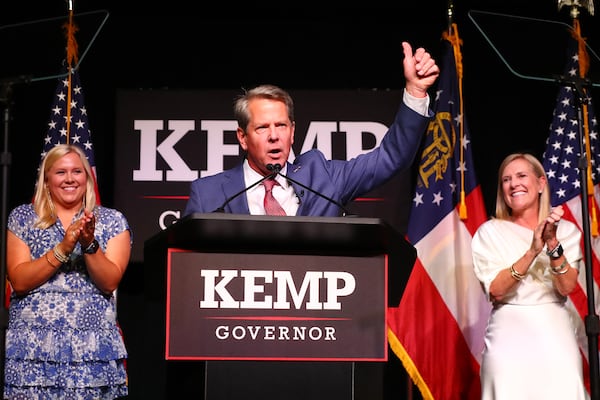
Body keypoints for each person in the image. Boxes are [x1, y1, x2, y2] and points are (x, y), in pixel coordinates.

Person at [183, 41, 439, 217]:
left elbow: (391, 158)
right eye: (262, 127)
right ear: (243, 137)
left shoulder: (323, 178)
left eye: (281, 125)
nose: (274, 136)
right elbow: (184, 267)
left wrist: (416, 92)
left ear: (292, 132)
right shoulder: (209, 194)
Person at [4, 144, 131, 399]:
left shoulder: (112, 221)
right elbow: (18, 281)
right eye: (61, 172)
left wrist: (88, 244)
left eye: (77, 171)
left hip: (92, 351)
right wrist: (63, 247)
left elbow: (109, 282)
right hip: (34, 351)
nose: (70, 179)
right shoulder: (23, 218)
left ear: (87, 177)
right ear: (47, 178)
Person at [471, 153, 587, 399]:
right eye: (506, 180)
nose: (514, 184)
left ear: (541, 183)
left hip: (555, 334)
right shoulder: (489, 232)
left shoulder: (566, 231)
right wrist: (533, 250)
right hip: (508, 337)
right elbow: (496, 290)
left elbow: (566, 287)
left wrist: (552, 243)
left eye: (522, 176)